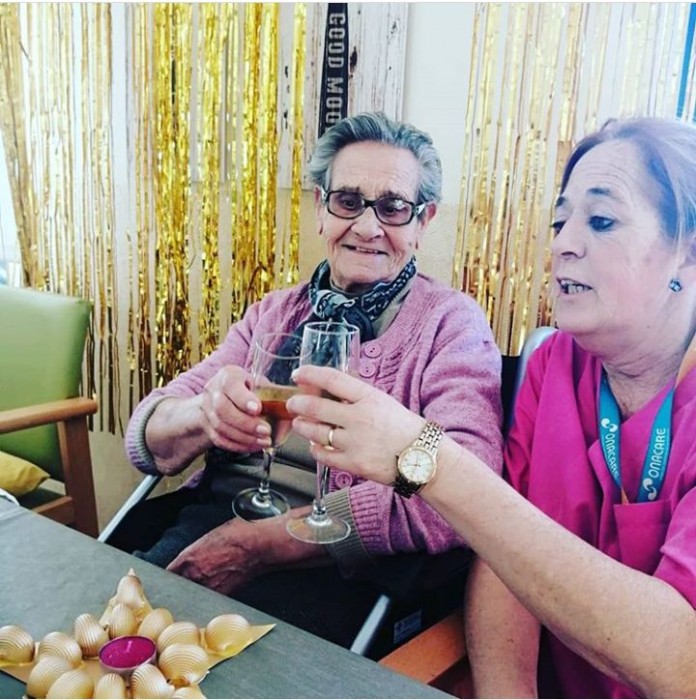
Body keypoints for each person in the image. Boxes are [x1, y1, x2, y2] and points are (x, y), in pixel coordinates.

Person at [286, 116, 696, 697]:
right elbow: (503, 559)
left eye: (601, 221)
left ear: (687, 250)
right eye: (560, 222)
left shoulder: (450, 321)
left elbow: (682, 664)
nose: (563, 244)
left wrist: (421, 456)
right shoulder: (555, 362)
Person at [111, 111, 503, 647]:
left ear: (422, 221)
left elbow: (469, 487)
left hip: (338, 573)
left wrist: (262, 545)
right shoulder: (273, 314)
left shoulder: (449, 325)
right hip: (211, 524)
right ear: (321, 208)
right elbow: (146, 437)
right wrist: (203, 414)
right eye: (348, 201)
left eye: (392, 207)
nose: (367, 227)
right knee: (107, 647)